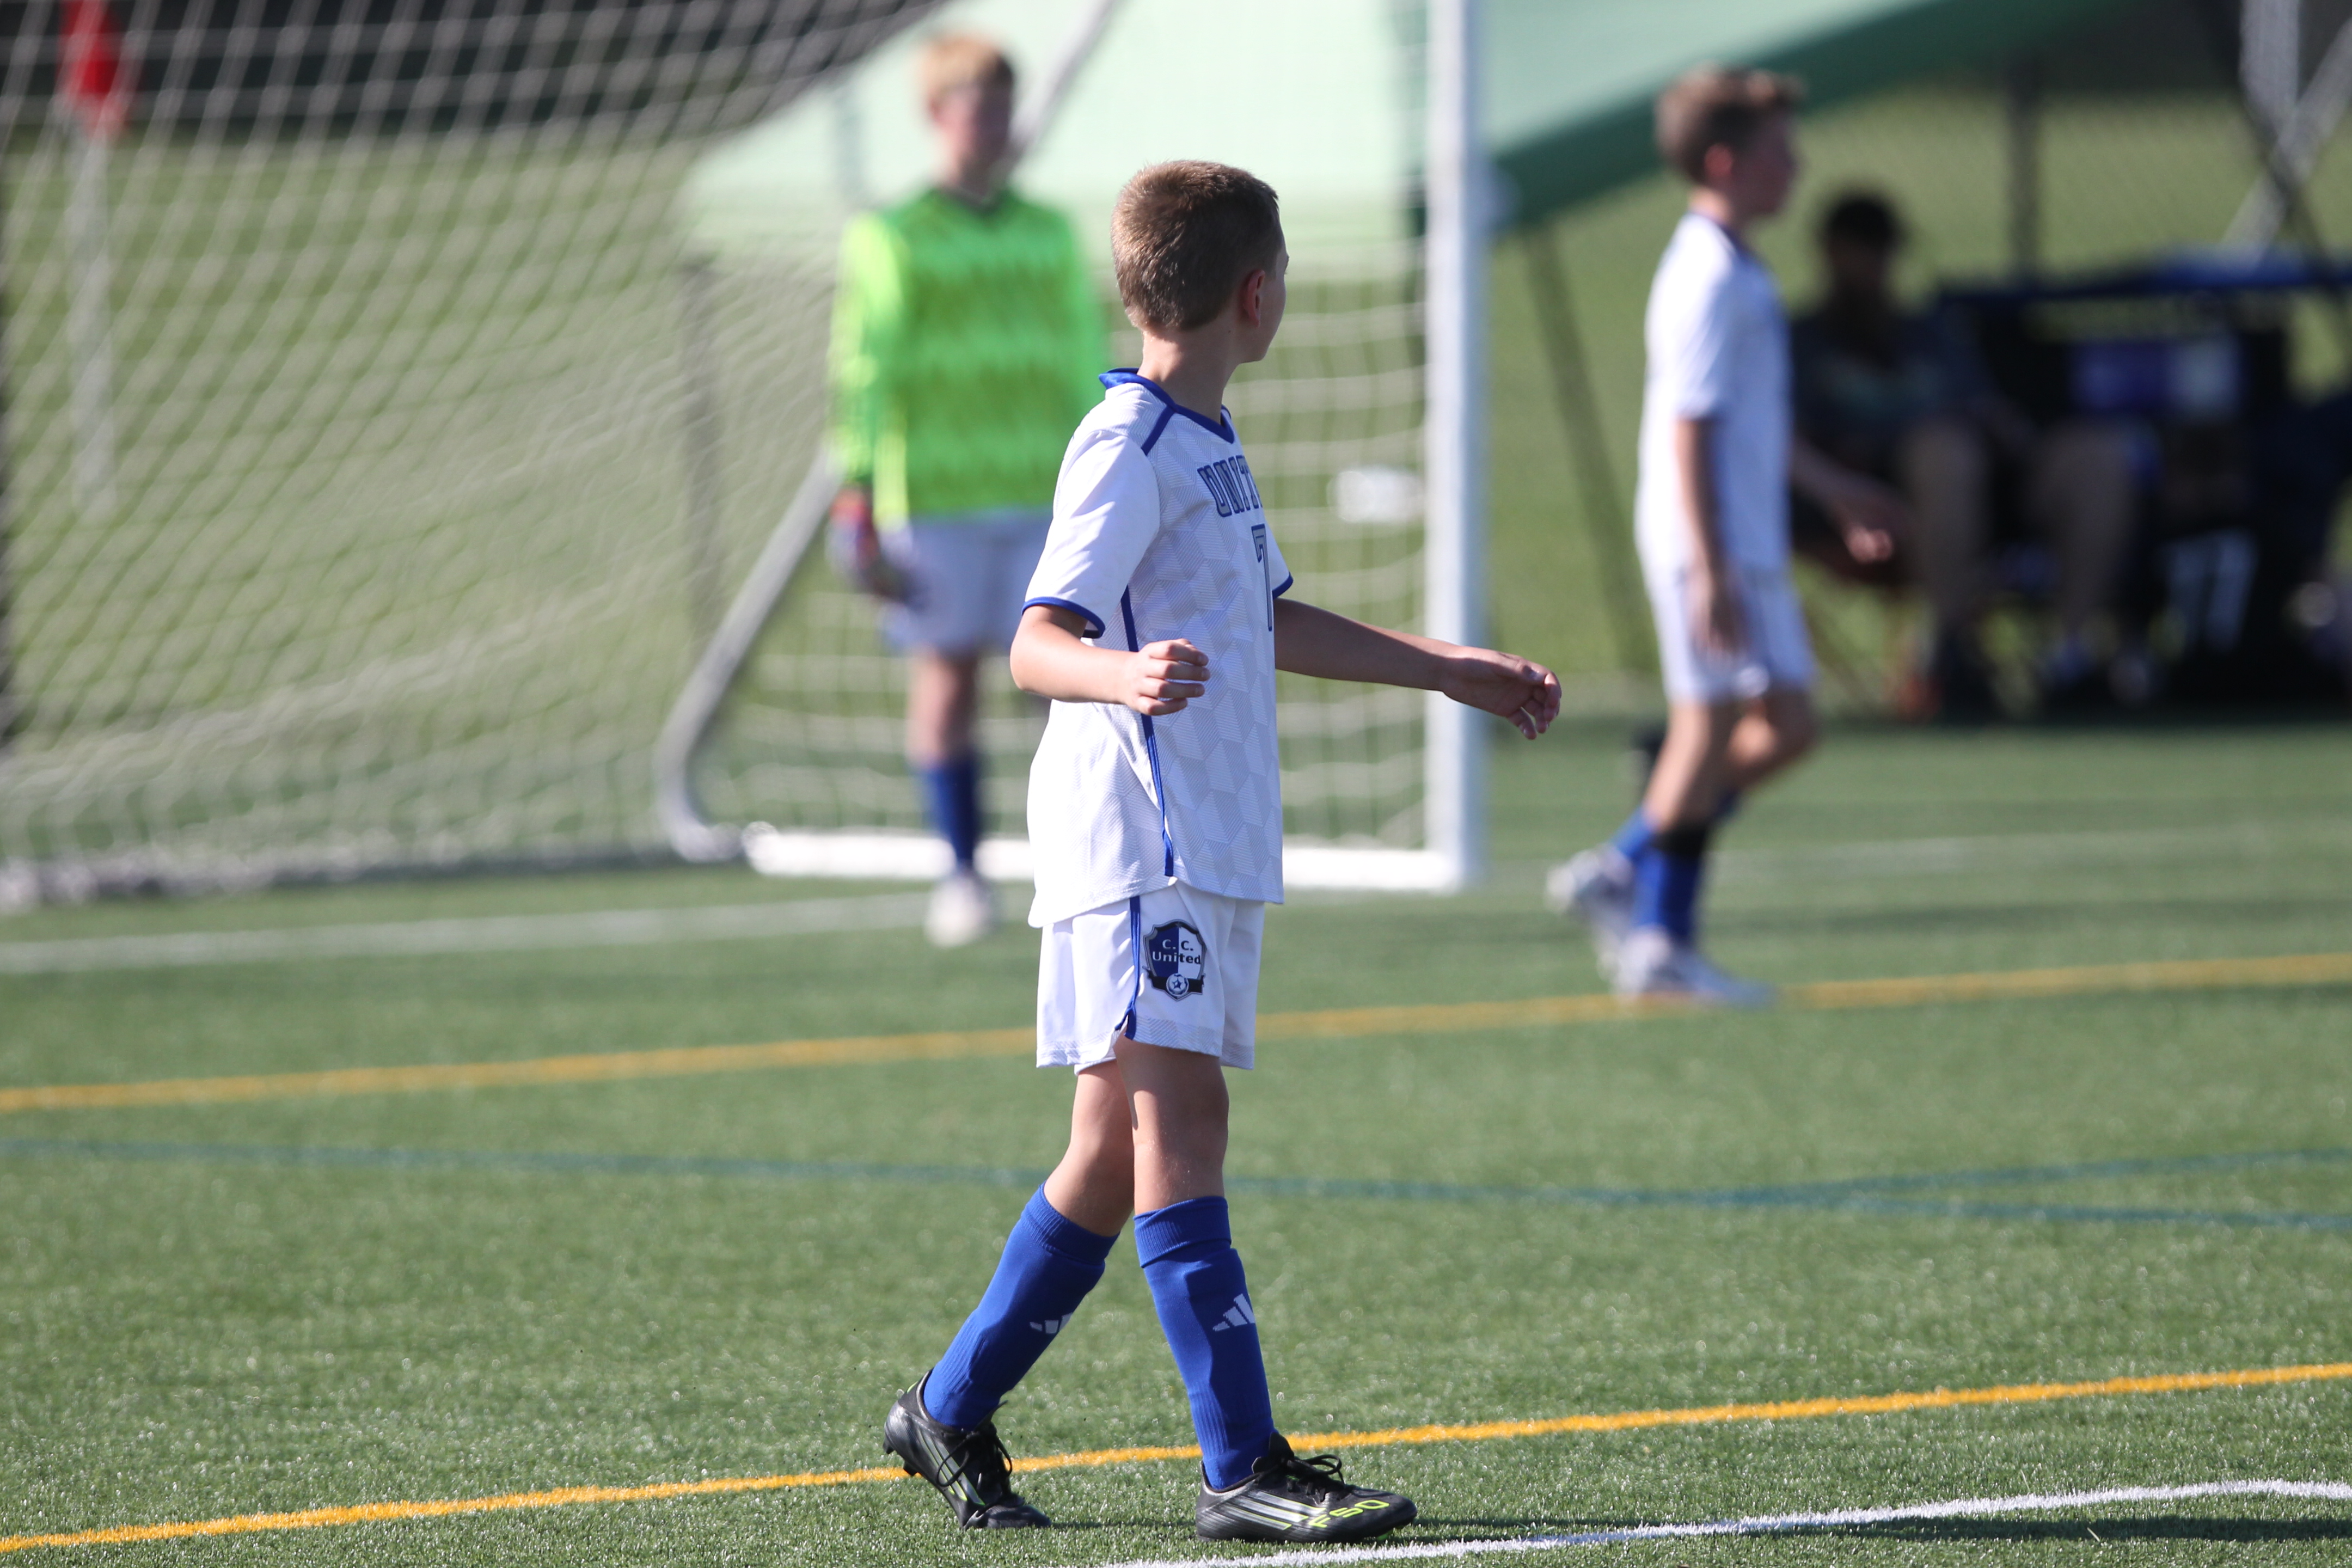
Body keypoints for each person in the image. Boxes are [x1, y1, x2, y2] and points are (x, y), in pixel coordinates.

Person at [880, 161, 1561, 1542]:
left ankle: (946, 1410)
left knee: (1108, 1151)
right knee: (1184, 1127)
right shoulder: (1125, 444)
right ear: (1257, 295)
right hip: (1144, 842)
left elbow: (1269, 619)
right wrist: (1120, 676)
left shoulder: (1205, 440)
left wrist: (1447, 668)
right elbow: (1037, 641)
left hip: (1200, 837)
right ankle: (1242, 1463)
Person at [1548, 66, 1898, 1003]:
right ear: (1723, 162)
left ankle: (1624, 868)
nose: (1797, 167)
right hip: (1708, 541)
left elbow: (1753, 425)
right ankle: (1661, 942)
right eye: (1780, 151)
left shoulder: (1740, 265)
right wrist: (1708, 566)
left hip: (1741, 537)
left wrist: (1839, 493)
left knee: (1787, 728)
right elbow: (1691, 427)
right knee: (1708, 730)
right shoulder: (1705, 275)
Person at [826, 33, 1104, 947]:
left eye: (1001, 105)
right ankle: (962, 874)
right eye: (974, 106)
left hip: (1041, 495)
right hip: (937, 496)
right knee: (947, 684)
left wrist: (1100, 470)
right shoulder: (893, 235)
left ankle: (1085, 867)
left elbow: (1078, 355)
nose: (991, 123)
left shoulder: (1048, 230)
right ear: (935, 114)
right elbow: (866, 365)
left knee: (1066, 687)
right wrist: (857, 486)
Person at [1791, 192, 2136, 716]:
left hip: (1985, 489)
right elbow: (1789, 438)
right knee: (1943, 450)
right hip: (1870, 504)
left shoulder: (1930, 333)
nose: (1870, 264)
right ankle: (1953, 655)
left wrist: (2003, 428)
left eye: (1880, 249)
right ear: (1830, 253)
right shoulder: (1803, 341)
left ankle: (2070, 657)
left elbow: (1989, 411)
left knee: (2096, 453)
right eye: (1858, 248)